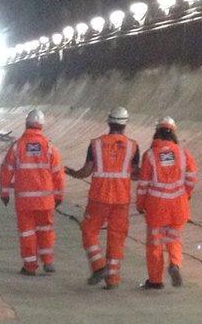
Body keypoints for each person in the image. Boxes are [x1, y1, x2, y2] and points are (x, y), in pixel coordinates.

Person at [65, 107, 140, 290]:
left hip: (99, 197)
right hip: (121, 200)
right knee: (116, 238)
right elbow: (136, 174)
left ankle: (98, 266)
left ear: (109, 122)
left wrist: (71, 173)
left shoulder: (96, 144)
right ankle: (112, 279)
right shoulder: (133, 146)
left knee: (89, 231)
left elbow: (87, 170)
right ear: (125, 124)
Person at [0, 109, 65, 276]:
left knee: (27, 232)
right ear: (41, 126)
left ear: (26, 124)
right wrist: (58, 195)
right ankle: (48, 261)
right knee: (46, 229)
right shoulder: (50, 147)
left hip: (25, 202)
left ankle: (30, 266)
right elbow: (58, 173)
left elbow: (6, 169)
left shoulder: (17, 146)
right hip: (45, 201)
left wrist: (4, 192)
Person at [136, 117, 198, 289]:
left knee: (155, 244)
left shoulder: (150, 155)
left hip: (157, 207)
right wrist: (186, 193)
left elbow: (143, 184)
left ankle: (155, 280)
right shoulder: (183, 153)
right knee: (174, 239)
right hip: (178, 205)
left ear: (157, 132)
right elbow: (192, 177)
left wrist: (140, 204)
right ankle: (175, 264)